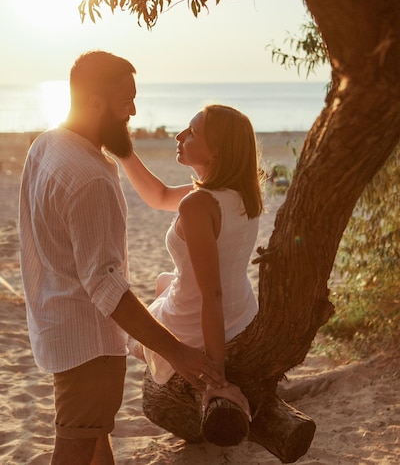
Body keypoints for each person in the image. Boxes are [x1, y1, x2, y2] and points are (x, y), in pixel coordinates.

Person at [19, 51, 224, 465]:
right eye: (125, 101)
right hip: (88, 349)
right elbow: (106, 287)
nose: (133, 110)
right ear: (95, 102)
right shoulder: (90, 178)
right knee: (74, 449)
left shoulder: (46, 145)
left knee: (95, 441)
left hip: (55, 328)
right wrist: (176, 352)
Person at [119, 103, 263, 420]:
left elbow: (211, 296)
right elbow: (159, 196)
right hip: (242, 312)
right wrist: (125, 152)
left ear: (216, 152)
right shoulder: (241, 191)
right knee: (162, 280)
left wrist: (216, 376)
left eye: (192, 132)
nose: (179, 136)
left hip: (207, 319)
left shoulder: (199, 205)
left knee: (132, 337)